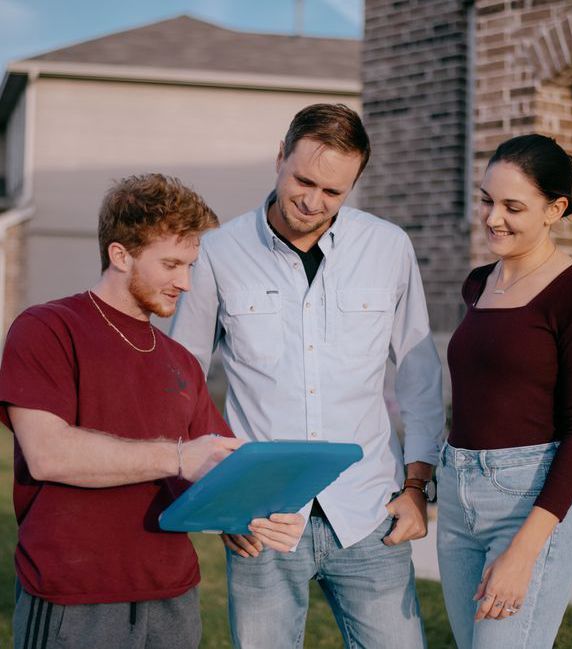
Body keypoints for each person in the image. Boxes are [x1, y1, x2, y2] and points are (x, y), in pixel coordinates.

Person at [171, 103, 444, 649]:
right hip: (263, 521)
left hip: (370, 512)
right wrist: (223, 499)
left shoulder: (389, 248)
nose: (313, 202)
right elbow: (182, 380)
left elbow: (419, 377)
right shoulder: (217, 254)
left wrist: (417, 489)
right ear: (279, 158)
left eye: (333, 192)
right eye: (303, 180)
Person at [0, 173, 304, 649]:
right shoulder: (47, 328)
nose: (185, 282)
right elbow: (47, 453)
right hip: (73, 594)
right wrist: (179, 457)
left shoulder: (181, 359)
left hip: (172, 599)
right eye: (170, 264)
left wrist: (255, 514)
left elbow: (218, 463)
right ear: (120, 254)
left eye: (190, 265)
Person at [436, 134, 572, 649]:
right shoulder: (477, 283)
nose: (493, 217)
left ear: (555, 209)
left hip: (528, 501)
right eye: (487, 200)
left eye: (513, 206)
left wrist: (523, 551)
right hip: (457, 497)